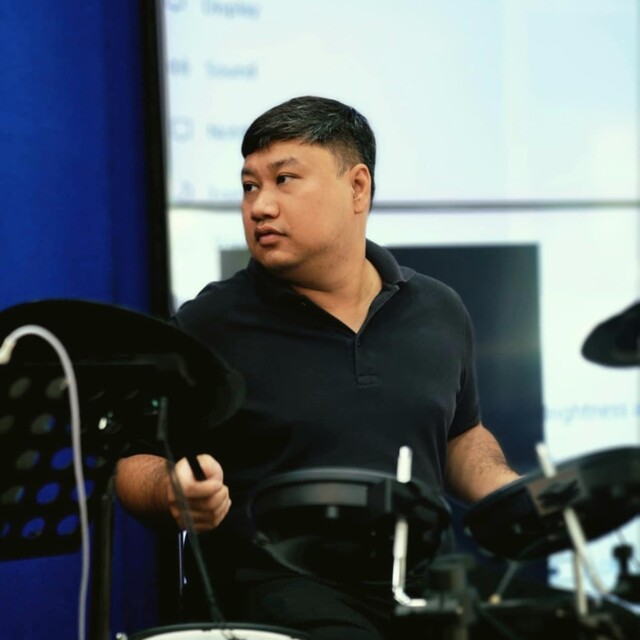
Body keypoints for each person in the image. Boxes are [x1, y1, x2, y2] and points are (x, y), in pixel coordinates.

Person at [115, 95, 520, 639]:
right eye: (249, 186)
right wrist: (171, 489)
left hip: (423, 595)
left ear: (357, 187)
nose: (260, 206)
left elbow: (458, 437)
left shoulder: (437, 308)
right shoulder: (208, 323)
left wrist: (515, 497)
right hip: (274, 602)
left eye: (284, 180)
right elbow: (132, 460)